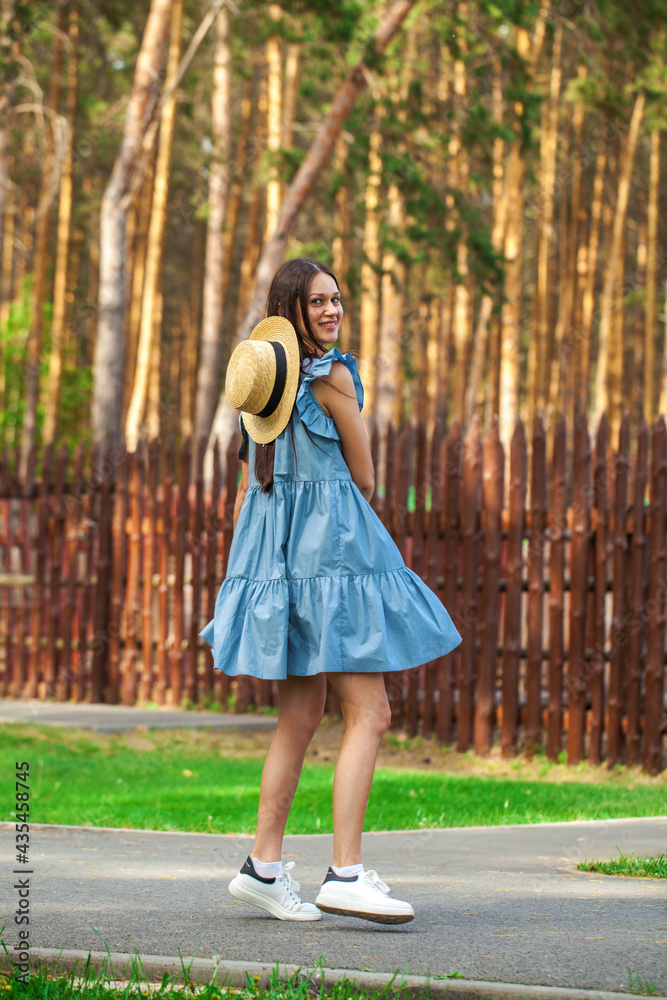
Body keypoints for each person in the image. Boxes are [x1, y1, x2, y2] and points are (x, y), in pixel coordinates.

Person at [199, 257, 461, 925]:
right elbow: (365, 473)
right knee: (369, 715)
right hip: (332, 559)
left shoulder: (263, 399)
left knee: (298, 717)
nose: (332, 312)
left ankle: (261, 866)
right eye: (317, 302)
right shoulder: (334, 376)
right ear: (290, 311)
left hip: (278, 562)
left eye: (336, 300)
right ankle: (344, 872)